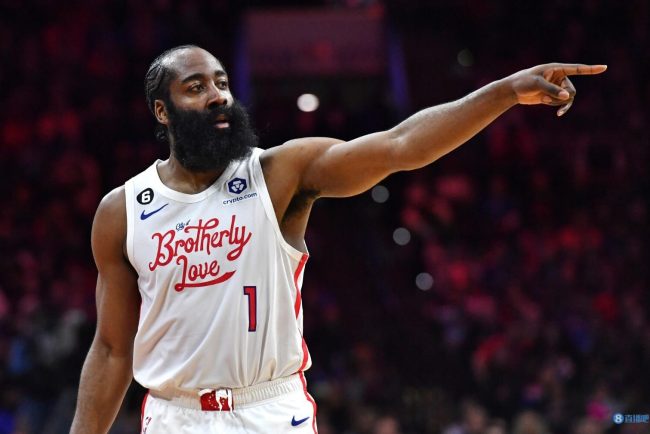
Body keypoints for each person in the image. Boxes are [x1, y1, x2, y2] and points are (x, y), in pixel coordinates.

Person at [69, 44, 605, 433]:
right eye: (196, 88)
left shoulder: (278, 173)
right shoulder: (122, 211)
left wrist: (504, 92)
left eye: (222, 83)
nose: (217, 97)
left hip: (269, 409)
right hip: (174, 415)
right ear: (161, 111)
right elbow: (113, 349)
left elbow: (400, 146)